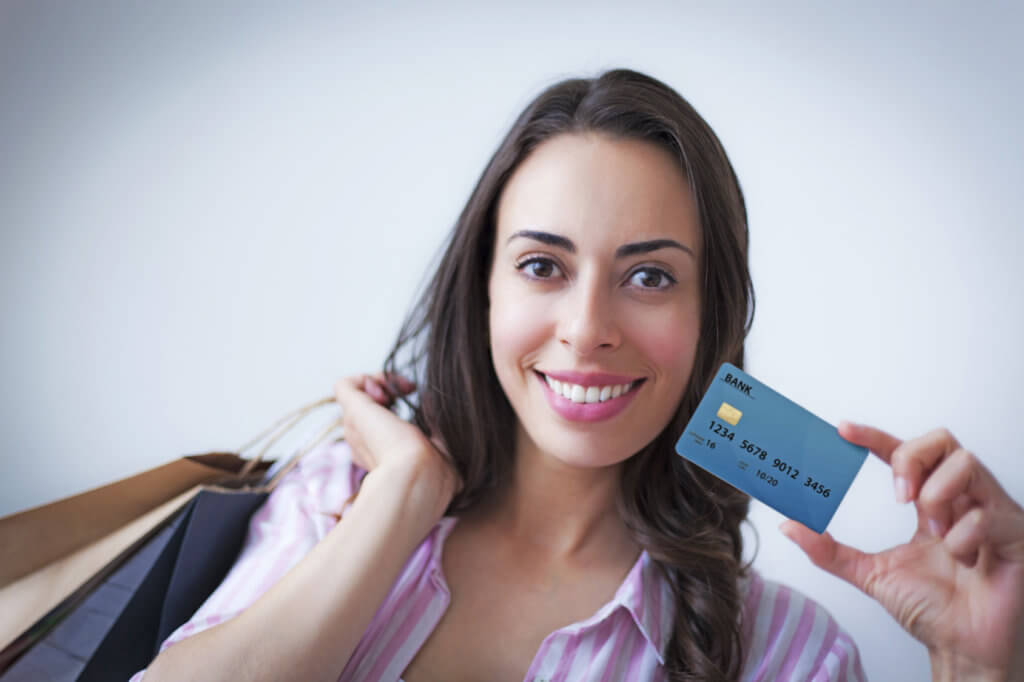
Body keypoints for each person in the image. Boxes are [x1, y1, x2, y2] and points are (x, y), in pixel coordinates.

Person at [137, 69, 1024, 681]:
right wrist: (404, 495)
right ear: (482, 286)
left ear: (709, 316)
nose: (588, 329)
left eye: (649, 276)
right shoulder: (338, 503)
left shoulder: (789, 652)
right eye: (541, 266)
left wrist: (980, 666)